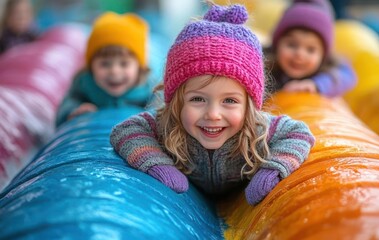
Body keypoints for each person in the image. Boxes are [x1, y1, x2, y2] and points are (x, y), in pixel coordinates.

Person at [110, 4, 315, 206]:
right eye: (198, 99)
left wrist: (272, 170)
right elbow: (125, 130)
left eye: (230, 101)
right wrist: (158, 165)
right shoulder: (168, 124)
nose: (213, 114)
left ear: (249, 105)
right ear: (177, 101)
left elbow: (299, 133)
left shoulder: (257, 129)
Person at [55, 12, 161, 127]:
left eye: (124, 64)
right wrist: (74, 111)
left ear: (139, 68)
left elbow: (160, 111)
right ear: (91, 66)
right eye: (105, 64)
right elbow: (64, 108)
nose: (114, 71)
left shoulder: (148, 88)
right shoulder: (84, 84)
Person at [268, 0, 356, 97]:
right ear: (277, 44)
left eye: (311, 50)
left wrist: (316, 85)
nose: (299, 54)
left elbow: (347, 76)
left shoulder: (327, 68)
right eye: (292, 45)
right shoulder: (266, 63)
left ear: (323, 55)